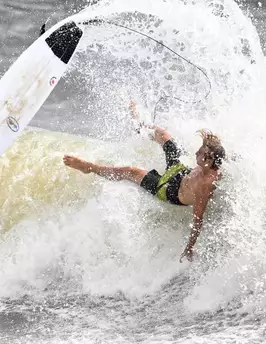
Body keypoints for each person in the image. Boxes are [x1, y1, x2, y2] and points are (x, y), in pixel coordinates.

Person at [63, 104, 226, 263]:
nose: (196, 152)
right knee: (162, 134)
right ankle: (139, 125)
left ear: (209, 161)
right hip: (180, 172)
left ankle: (89, 167)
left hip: (169, 190)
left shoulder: (205, 185)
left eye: (201, 153)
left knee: (130, 171)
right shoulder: (211, 162)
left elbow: (198, 219)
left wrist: (190, 247)